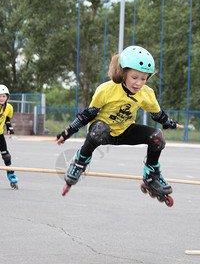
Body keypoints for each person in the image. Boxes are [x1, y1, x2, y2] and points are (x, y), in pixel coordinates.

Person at [55, 45, 180, 206]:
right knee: (100, 129)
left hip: (124, 131)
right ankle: (80, 161)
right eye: (135, 77)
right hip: (101, 133)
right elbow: (88, 114)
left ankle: (151, 174)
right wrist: (67, 132)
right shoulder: (106, 90)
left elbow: (157, 114)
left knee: (157, 137)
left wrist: (170, 123)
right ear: (123, 72)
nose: (139, 83)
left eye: (144, 78)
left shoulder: (146, 93)